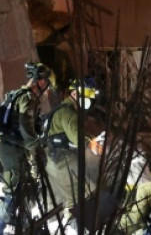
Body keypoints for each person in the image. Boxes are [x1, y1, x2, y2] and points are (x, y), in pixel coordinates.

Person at [0, 62, 53, 235]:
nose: (46, 89)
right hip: (14, 148)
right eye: (46, 84)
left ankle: (24, 225)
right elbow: (25, 126)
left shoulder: (15, 94)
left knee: (24, 186)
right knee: (13, 190)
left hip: (11, 147)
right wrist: (36, 148)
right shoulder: (28, 98)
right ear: (41, 82)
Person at [44, 78, 98, 233]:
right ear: (75, 93)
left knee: (57, 199)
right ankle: (75, 228)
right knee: (81, 195)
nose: (89, 99)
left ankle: (56, 227)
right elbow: (78, 139)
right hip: (63, 161)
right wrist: (93, 143)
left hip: (52, 160)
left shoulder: (60, 110)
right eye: (87, 95)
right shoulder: (68, 113)